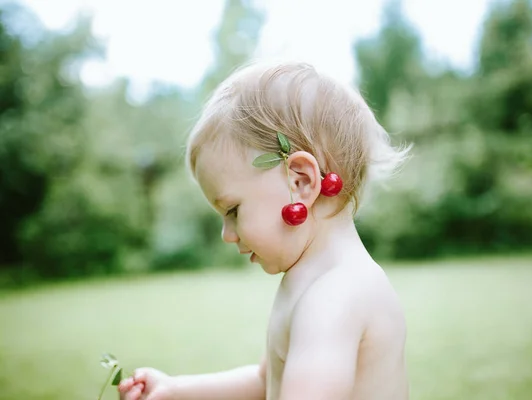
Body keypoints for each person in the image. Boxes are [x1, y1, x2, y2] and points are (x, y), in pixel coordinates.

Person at [118, 60, 411, 400]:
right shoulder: (316, 281)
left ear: (300, 182)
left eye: (233, 210)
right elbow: (266, 383)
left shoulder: (333, 298)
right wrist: (175, 390)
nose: (227, 234)